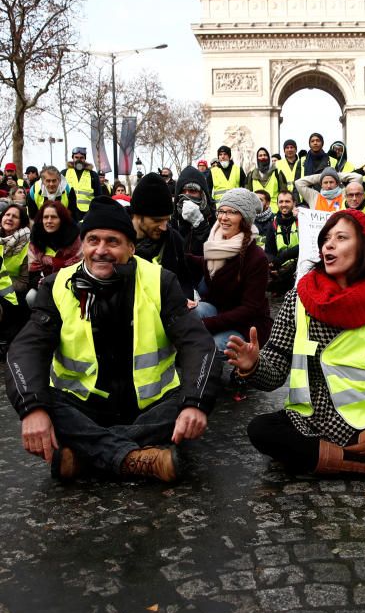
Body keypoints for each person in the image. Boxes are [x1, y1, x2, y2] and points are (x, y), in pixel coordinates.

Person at [226, 210, 365, 481]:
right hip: (310, 422)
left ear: (364, 248)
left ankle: (329, 457)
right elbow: (275, 369)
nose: (329, 245)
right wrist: (253, 366)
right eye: (326, 239)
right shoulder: (297, 298)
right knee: (261, 430)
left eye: (341, 237)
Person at [5, 196, 221, 482]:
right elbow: (26, 349)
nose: (101, 250)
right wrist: (32, 409)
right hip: (82, 408)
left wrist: (195, 404)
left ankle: (87, 455)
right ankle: (134, 459)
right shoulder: (56, 284)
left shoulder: (161, 280)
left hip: (149, 409)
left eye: (113, 242)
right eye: (92, 240)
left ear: (131, 248)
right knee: (41, 401)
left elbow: (198, 345)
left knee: (193, 399)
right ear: (82, 244)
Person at [188, 188, 272, 354]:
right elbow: (202, 263)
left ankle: (212, 376)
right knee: (193, 313)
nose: (223, 218)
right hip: (221, 311)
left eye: (232, 212)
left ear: (245, 219)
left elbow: (249, 309)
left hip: (247, 324)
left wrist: (208, 324)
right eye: (221, 211)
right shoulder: (216, 243)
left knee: (214, 345)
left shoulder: (256, 258)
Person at [131, 172, 194, 298]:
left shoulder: (174, 239)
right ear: (137, 215)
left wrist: (185, 300)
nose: (164, 227)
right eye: (157, 220)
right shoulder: (116, 241)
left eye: (166, 220)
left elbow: (185, 281)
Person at [27, 202, 82, 308]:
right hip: (44, 286)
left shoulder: (76, 241)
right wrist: (46, 284)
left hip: (71, 284)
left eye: (53, 217)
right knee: (30, 296)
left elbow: (80, 269)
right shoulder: (35, 243)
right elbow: (33, 275)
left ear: (62, 219)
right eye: (45, 217)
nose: (48, 221)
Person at [172, 165, 216, 256]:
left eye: (192, 191)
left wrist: (200, 225)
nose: (187, 195)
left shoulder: (212, 216)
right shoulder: (173, 218)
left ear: (202, 194)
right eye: (183, 191)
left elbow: (215, 249)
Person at [265, 191, 299, 296]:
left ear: (294, 203)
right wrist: (272, 264)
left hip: (299, 263)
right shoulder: (273, 225)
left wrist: (284, 257)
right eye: (281, 202)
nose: (284, 205)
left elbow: (306, 247)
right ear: (277, 204)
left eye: (287, 201)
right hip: (280, 265)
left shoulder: (301, 221)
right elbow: (269, 251)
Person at [0, 204, 30, 302]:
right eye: (7, 215)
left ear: (21, 222)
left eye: (15, 216)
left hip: (11, 295)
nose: (10, 218)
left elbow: (23, 284)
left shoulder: (27, 246)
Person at [62, 147, 100, 218]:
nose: (79, 160)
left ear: (85, 159)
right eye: (76, 157)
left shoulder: (93, 175)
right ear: (73, 158)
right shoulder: (64, 173)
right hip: (68, 212)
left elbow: (98, 196)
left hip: (87, 214)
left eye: (81, 158)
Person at [246, 147, 286, 212]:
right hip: (256, 211)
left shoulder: (277, 173)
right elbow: (248, 195)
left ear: (269, 157)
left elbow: (284, 193)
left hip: (274, 211)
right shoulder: (251, 174)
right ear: (257, 158)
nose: (263, 157)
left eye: (265, 155)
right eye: (260, 156)